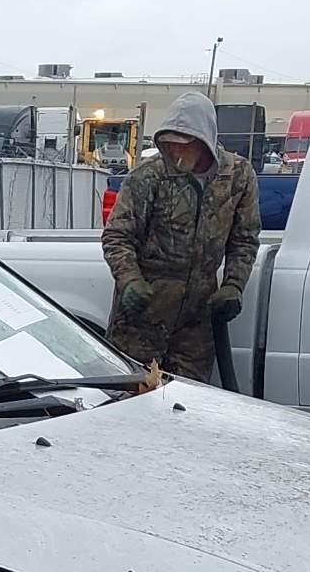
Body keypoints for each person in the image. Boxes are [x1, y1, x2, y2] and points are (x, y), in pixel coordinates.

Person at [99, 90, 262, 384]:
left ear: (203, 142)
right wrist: (130, 280)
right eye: (169, 145)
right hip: (142, 316)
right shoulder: (147, 177)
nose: (175, 153)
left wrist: (234, 285)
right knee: (131, 395)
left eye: (183, 145)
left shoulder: (238, 176)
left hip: (196, 322)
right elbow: (117, 235)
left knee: (189, 402)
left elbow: (244, 238)